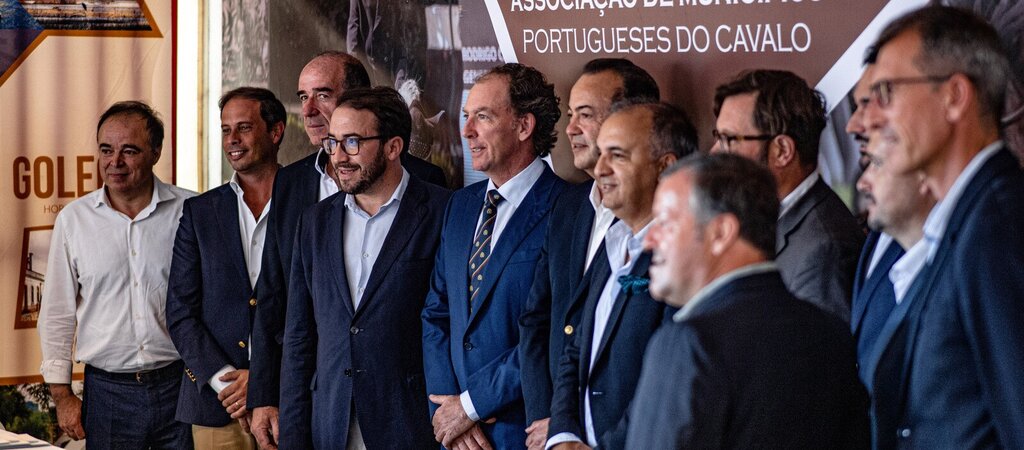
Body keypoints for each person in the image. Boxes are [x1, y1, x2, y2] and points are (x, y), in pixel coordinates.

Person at [246, 51, 442, 449]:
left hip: (410, 423)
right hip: (331, 421)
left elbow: (448, 321)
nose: (338, 156)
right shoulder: (314, 220)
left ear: (393, 147)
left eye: (352, 142)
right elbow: (298, 335)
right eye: (333, 143)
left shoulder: (442, 209)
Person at [860, 6, 1024, 448]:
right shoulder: (966, 223)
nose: (869, 120)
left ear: (954, 96)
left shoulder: (999, 228)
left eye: (886, 92)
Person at [626, 153, 868, 449]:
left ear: (720, 233)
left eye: (665, 222)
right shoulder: (831, 333)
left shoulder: (689, 344)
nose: (649, 241)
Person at [422, 63, 567, 449]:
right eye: (466, 116)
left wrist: (472, 405)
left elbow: (553, 332)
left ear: (524, 126)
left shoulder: (568, 209)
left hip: (523, 433)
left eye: (482, 117)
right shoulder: (460, 206)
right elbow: (436, 312)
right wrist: (447, 409)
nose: (466, 130)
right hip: (455, 435)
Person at [518, 58, 660, 449]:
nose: (570, 129)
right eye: (570, 115)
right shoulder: (568, 206)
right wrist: (552, 424)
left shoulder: (662, 224)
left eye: (585, 115)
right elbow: (537, 320)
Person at [38, 101, 196, 447]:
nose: (115, 162)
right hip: (107, 393)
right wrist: (62, 396)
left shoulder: (191, 211)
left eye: (129, 151)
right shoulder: (74, 220)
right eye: (106, 150)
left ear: (156, 152)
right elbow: (57, 314)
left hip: (180, 386)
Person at [546, 101, 697, 450]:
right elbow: (576, 347)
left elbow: (667, 382)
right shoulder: (614, 241)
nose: (600, 169)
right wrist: (563, 434)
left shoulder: (686, 258)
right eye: (600, 154)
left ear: (665, 167)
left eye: (617, 155)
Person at [166, 87, 285, 449]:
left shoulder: (309, 203)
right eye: (225, 129)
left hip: (289, 400)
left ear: (276, 131)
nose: (232, 139)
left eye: (244, 128)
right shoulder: (199, 212)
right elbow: (180, 312)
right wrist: (227, 383)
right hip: (217, 405)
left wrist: (263, 379)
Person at [711, 69, 864, 322]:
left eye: (729, 139)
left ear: (782, 151)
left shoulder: (824, 250)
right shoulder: (758, 218)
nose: (715, 152)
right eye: (718, 137)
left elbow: (812, 348)